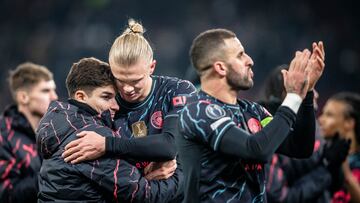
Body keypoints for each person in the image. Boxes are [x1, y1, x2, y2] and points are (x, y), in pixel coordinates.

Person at [176, 28, 325, 202]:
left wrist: (306, 93)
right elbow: (255, 149)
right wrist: (292, 96)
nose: (250, 60)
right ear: (221, 67)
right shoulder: (198, 111)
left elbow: (300, 147)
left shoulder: (253, 111)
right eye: (240, 55)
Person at [62, 19, 196, 186]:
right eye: (119, 79)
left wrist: (107, 145)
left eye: (135, 80)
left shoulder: (177, 90)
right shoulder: (104, 100)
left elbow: (169, 146)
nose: (127, 89)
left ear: (152, 67)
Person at [37, 57, 181, 202]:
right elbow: (142, 195)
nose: (116, 106)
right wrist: (180, 175)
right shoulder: (91, 136)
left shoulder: (61, 124)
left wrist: (143, 173)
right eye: (106, 97)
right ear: (81, 96)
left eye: (116, 98)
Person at [259, 65, 350, 203]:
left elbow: (334, 187)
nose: (316, 95)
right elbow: (280, 198)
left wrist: (335, 166)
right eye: (306, 85)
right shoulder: (270, 136)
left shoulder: (316, 131)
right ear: (288, 92)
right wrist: (325, 169)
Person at [0, 62, 58, 203]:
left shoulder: (53, 132)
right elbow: (5, 193)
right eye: (45, 91)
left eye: (53, 90)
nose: (54, 97)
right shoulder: (3, 135)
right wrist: (53, 175)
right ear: (23, 97)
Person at [318, 92, 360, 203]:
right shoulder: (320, 156)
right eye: (323, 113)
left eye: (329, 115)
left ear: (349, 123)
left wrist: (345, 173)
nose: (321, 120)